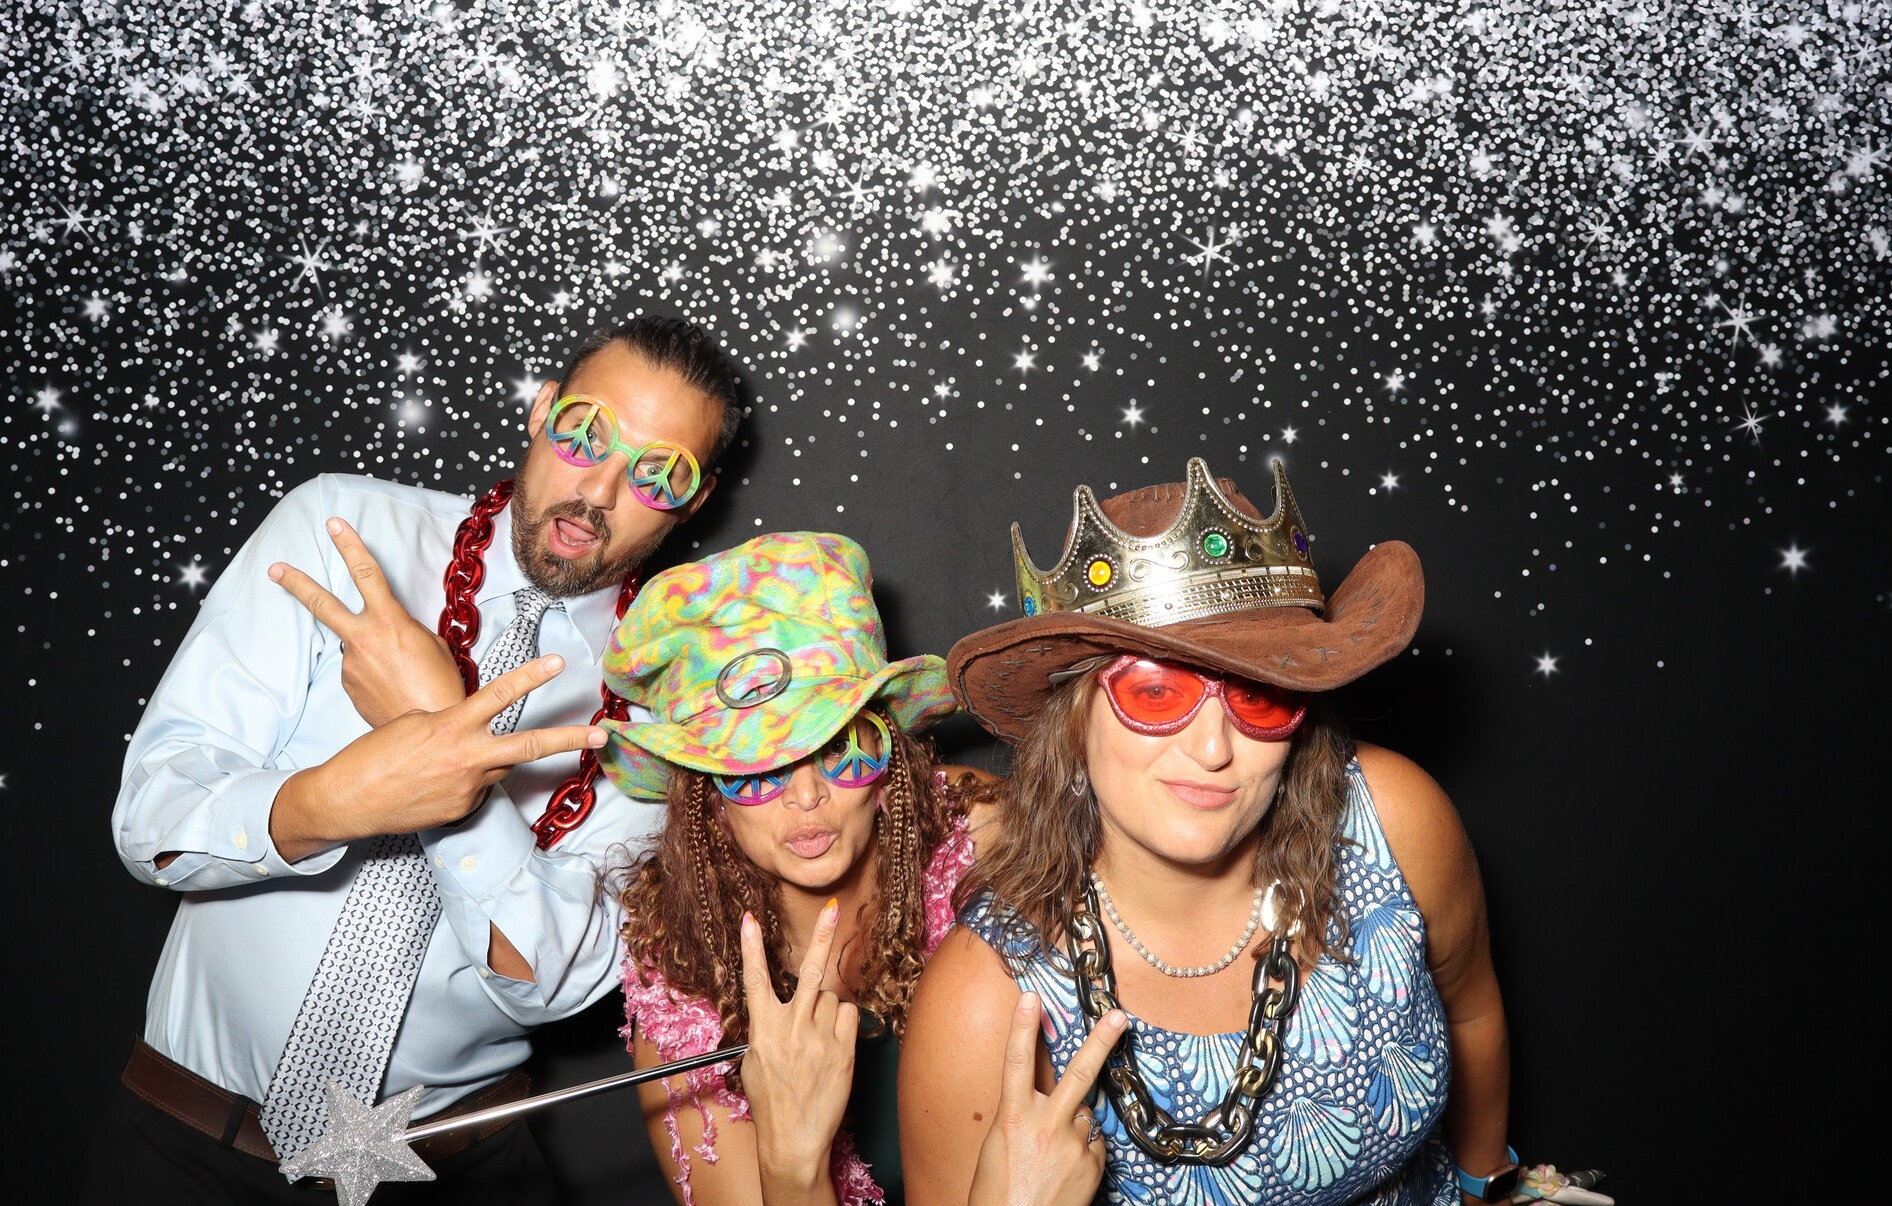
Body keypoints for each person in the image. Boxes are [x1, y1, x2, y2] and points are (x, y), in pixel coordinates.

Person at [88, 315, 743, 1205]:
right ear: (542, 409)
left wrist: (442, 757)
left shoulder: (672, 705)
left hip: (456, 1173)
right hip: (185, 1154)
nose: (598, 489)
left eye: (658, 474)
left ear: (693, 503)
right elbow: (152, 820)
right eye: (585, 433)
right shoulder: (344, 530)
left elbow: (552, 983)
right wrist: (333, 802)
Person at [900, 458, 1514, 1206]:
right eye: (1157, 691)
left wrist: (1488, 1186)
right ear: (1073, 716)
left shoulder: (1390, 819)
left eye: (1259, 694)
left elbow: (1474, 1012)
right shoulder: (982, 998)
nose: (1216, 748)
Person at [598, 531, 984, 1206]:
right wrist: (792, 1162)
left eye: (841, 747)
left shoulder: (982, 838)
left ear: (892, 764)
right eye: (755, 767)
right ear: (707, 801)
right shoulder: (684, 998)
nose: (807, 795)